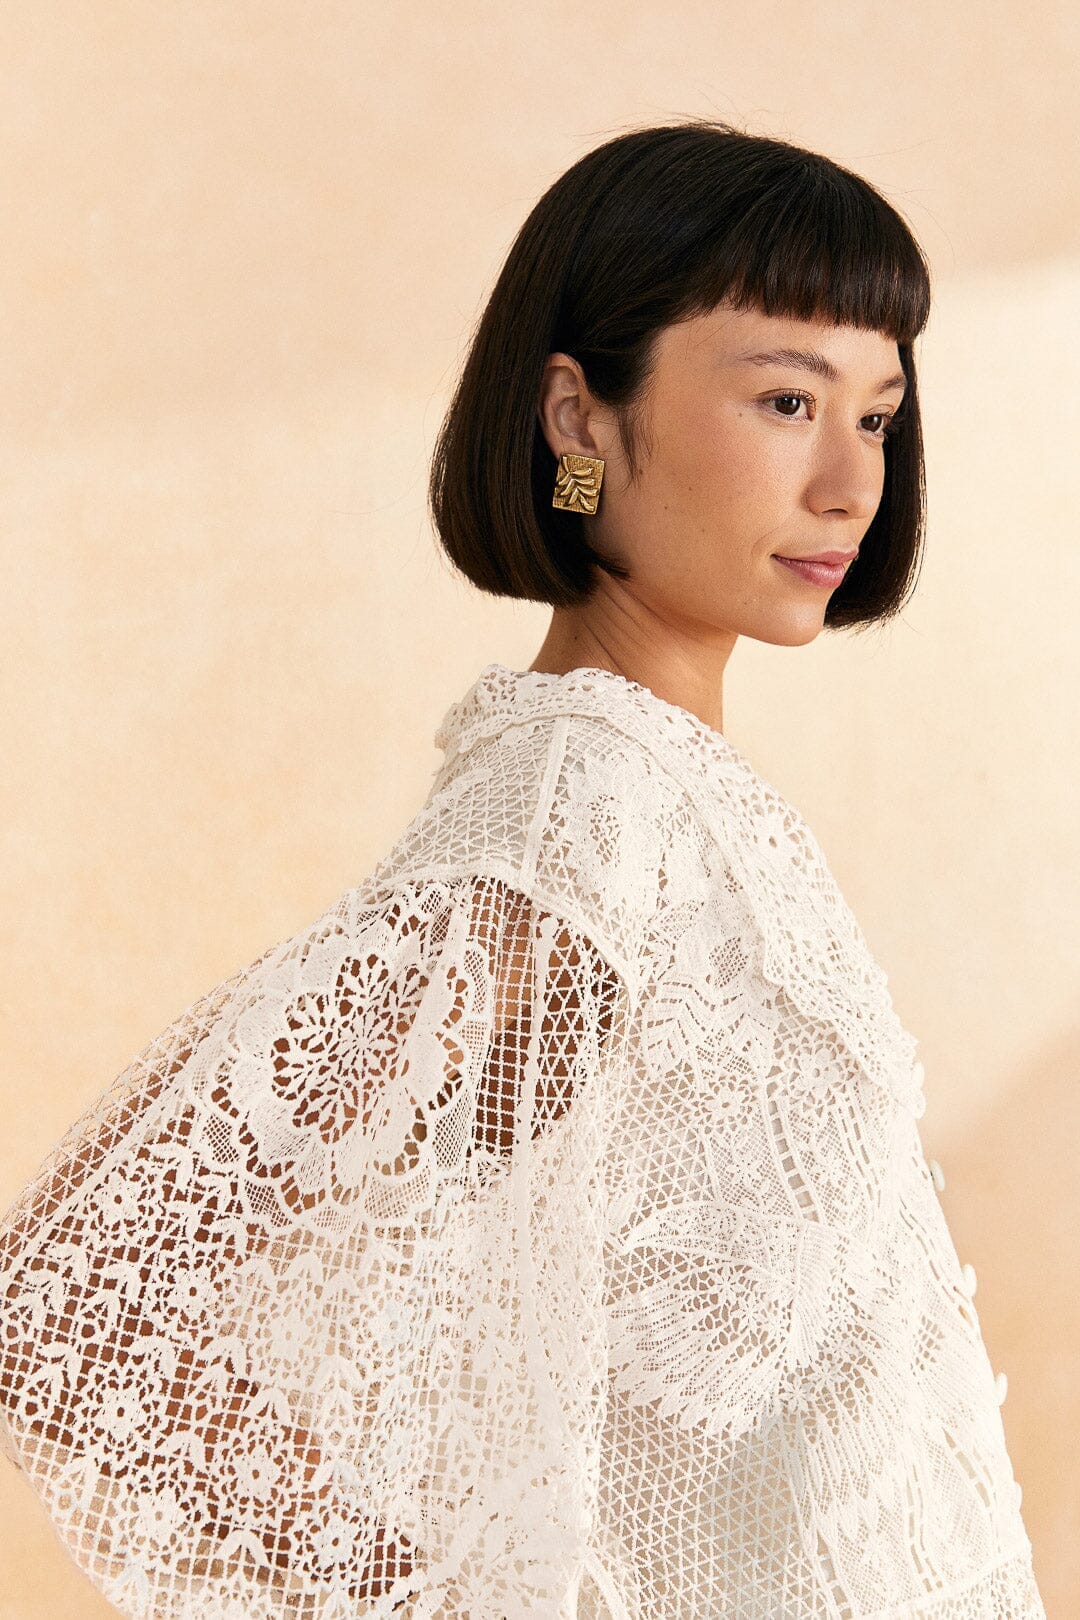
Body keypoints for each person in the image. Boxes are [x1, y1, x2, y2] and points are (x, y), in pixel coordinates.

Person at [0, 119, 1046, 1618]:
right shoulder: (586, 814)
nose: (849, 482)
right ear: (576, 417)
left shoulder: (663, 804)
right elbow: (71, 1302)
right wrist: (423, 1589)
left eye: (877, 415)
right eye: (786, 399)